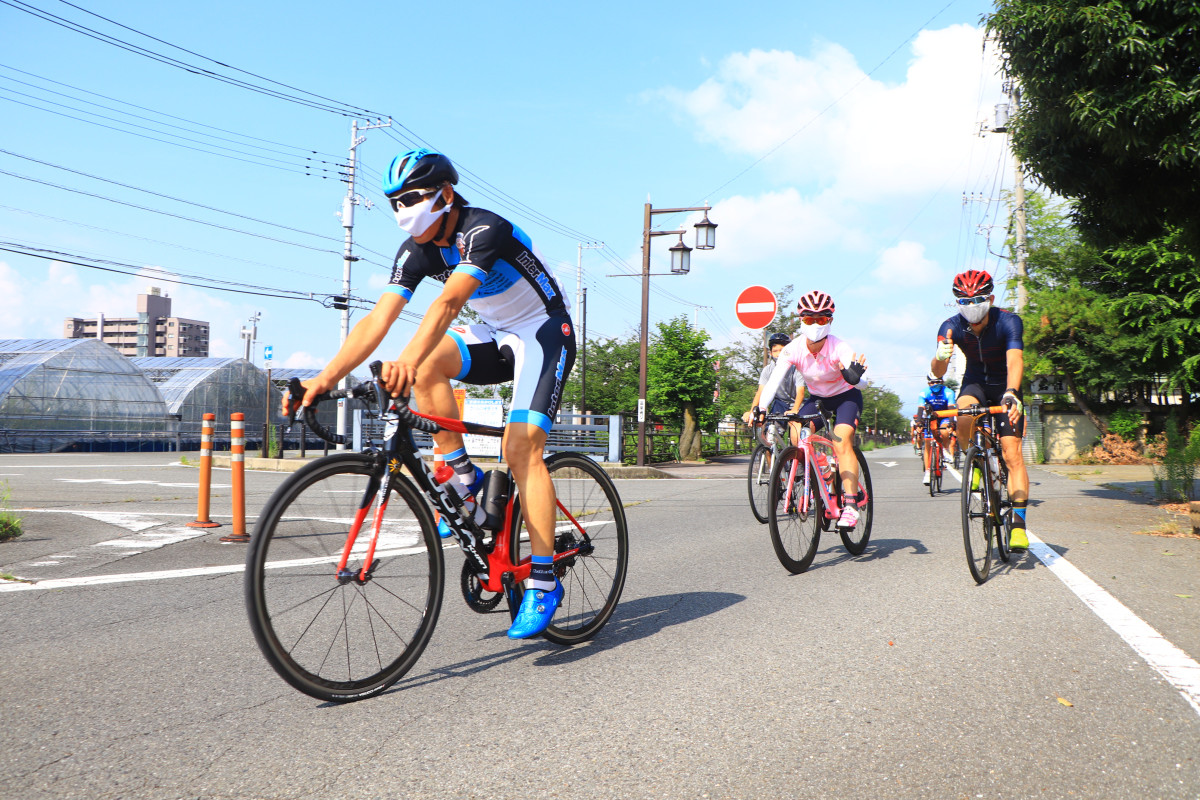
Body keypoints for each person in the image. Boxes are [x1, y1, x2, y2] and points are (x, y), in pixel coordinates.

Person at [285, 148, 575, 639]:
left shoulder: (484, 229)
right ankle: (464, 480)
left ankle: (544, 581)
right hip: (494, 331)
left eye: (413, 198)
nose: (404, 210)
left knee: (521, 448)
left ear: (444, 194)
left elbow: (448, 301)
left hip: (543, 331)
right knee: (427, 370)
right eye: (395, 201)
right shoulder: (415, 251)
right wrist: (324, 378)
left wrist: (407, 359)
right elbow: (378, 319)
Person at [929, 269, 1030, 550]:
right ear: (957, 302)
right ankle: (974, 461)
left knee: (1012, 453)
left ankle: (1019, 525)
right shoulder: (950, 327)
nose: (971, 305)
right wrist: (939, 356)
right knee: (963, 415)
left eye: (978, 299)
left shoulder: (1009, 321)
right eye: (964, 300)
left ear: (991, 298)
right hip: (974, 383)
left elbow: (1015, 360)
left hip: (1005, 385)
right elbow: (937, 372)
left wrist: (1012, 392)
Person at [758, 290, 868, 528]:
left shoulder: (839, 346)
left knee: (841, 441)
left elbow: (861, 382)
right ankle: (822, 467)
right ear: (801, 320)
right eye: (810, 319)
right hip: (818, 399)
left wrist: (854, 378)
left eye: (822, 319)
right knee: (795, 430)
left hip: (846, 397)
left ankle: (850, 504)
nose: (816, 323)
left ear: (830, 320)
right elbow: (773, 381)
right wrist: (761, 407)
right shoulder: (793, 349)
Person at [744, 332, 803, 444]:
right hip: (780, 404)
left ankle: (797, 458)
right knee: (770, 438)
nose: (778, 354)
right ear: (770, 353)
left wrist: (795, 409)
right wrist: (752, 411)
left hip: (797, 403)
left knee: (797, 437)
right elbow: (760, 392)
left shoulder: (796, 368)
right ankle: (773, 459)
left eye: (782, 350)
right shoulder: (767, 370)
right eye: (775, 351)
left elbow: (800, 392)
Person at [917, 371, 957, 485]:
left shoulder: (948, 392)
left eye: (938, 382)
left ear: (942, 382)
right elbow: (920, 409)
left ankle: (944, 451)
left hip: (944, 415)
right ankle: (928, 472)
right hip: (931, 416)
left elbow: (951, 410)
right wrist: (919, 423)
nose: (935, 384)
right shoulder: (924, 392)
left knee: (944, 432)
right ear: (928, 383)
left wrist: (951, 423)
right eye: (932, 382)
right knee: (928, 443)